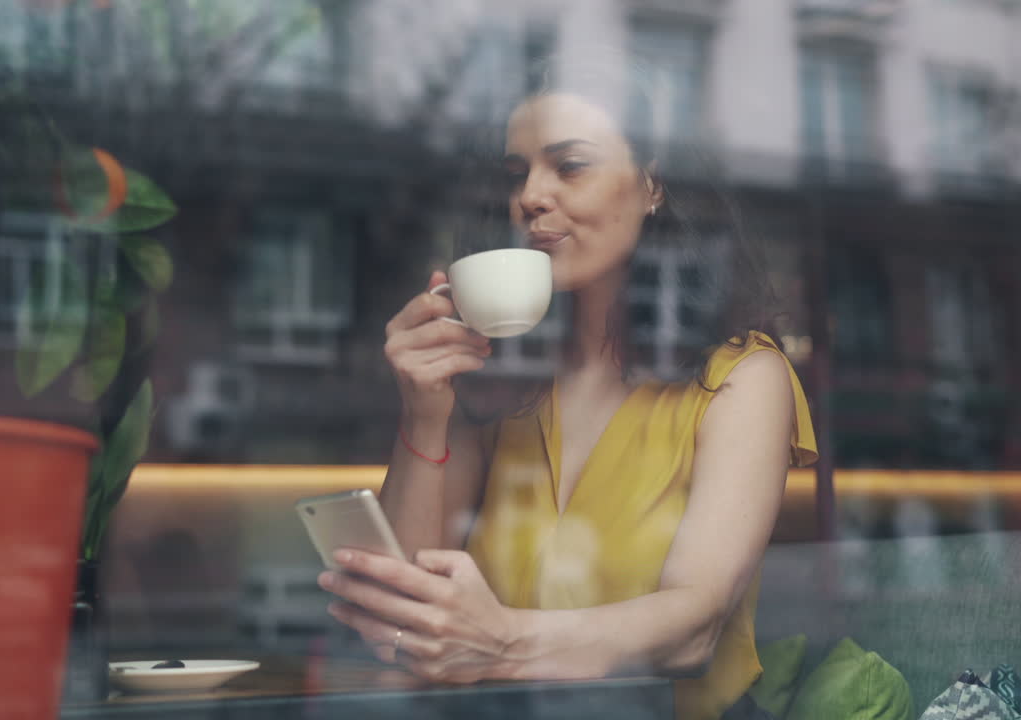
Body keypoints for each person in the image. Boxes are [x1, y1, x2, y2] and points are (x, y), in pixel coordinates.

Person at [318, 57, 818, 720]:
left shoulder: (744, 378)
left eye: (570, 165)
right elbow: (406, 620)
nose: (529, 196)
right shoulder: (501, 382)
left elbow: (692, 627)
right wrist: (424, 413)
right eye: (515, 174)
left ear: (652, 185)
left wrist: (502, 643)